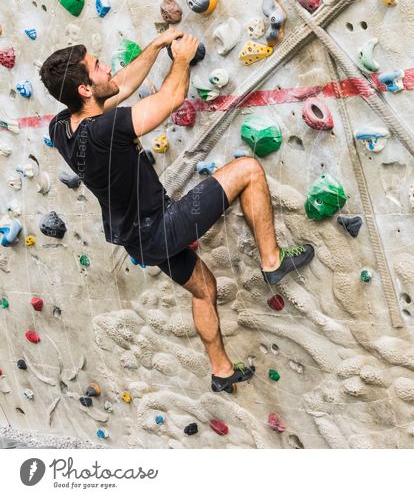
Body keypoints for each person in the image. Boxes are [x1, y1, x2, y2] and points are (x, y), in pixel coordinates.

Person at [39, 30, 315, 394]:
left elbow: (118, 85)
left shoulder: (61, 128)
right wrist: (180, 58)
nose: (106, 67)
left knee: (204, 290)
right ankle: (272, 260)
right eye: (97, 66)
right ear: (85, 90)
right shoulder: (107, 128)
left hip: (137, 240)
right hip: (162, 227)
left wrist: (154, 46)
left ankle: (221, 370)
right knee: (248, 169)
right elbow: (169, 99)